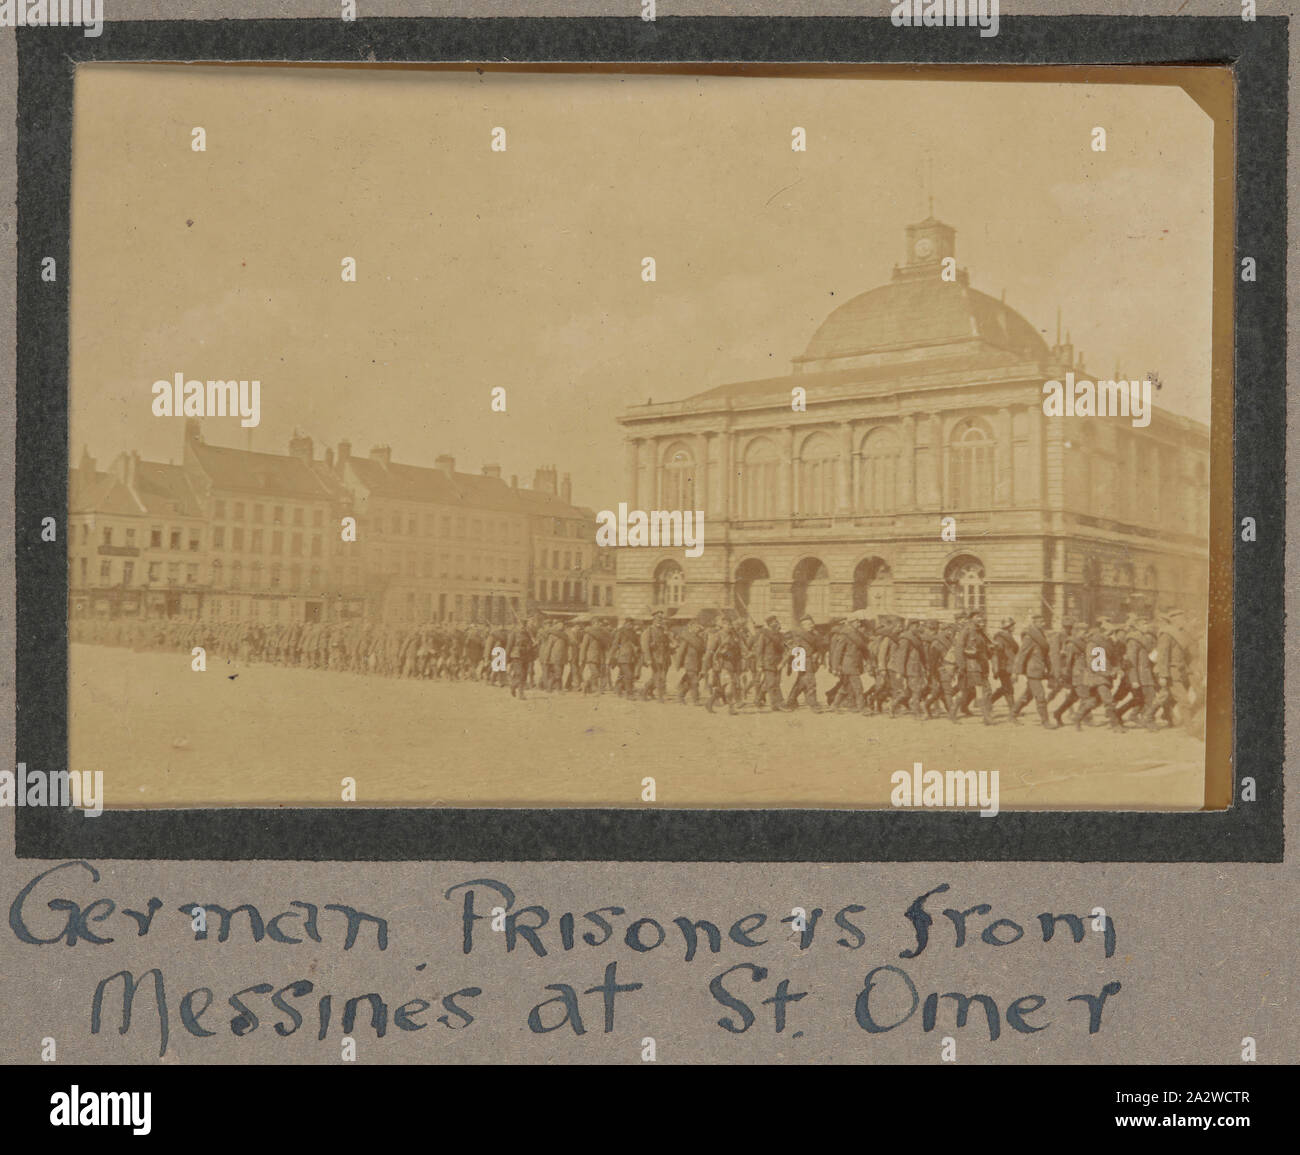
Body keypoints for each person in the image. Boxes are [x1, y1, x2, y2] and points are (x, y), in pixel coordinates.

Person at [1011, 612, 1055, 727]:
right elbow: (1021, 654)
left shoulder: (1041, 635)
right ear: (1035, 623)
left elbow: (1045, 655)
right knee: (1040, 695)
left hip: (1039, 670)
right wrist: (1015, 672)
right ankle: (1045, 721)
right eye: (1041, 622)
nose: (1044, 624)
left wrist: (1050, 669)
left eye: (1043, 621)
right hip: (1032, 671)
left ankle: (1013, 714)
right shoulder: (1029, 637)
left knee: (1028, 695)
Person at [784, 615, 824, 712]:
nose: (812, 625)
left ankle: (790, 702)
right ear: (803, 626)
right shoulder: (799, 635)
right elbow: (794, 649)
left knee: (801, 682)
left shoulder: (814, 634)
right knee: (811, 682)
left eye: (812, 623)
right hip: (803, 659)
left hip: (809, 660)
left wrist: (817, 654)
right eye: (809, 624)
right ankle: (813, 705)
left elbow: (818, 647)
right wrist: (788, 663)